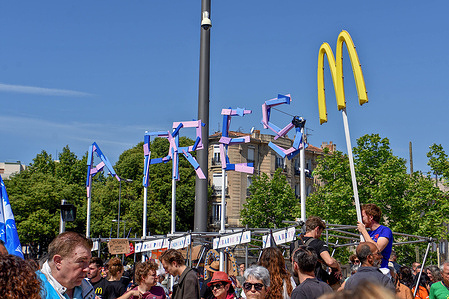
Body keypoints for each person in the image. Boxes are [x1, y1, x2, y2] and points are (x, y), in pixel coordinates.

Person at [37, 231, 95, 299]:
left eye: (88, 261)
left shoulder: (86, 288)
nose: (87, 269)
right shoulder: (33, 288)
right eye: (81, 261)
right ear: (58, 261)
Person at [302, 217, 341, 285]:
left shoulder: (294, 244)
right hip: (315, 284)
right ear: (317, 229)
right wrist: (337, 265)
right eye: (320, 232)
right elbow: (330, 262)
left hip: (298, 284)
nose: (320, 235)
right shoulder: (318, 243)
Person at [356, 203, 393, 275]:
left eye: (363, 216)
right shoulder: (368, 233)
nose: (362, 220)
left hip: (381, 269)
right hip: (368, 270)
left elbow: (377, 248)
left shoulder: (385, 230)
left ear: (371, 217)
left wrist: (363, 231)